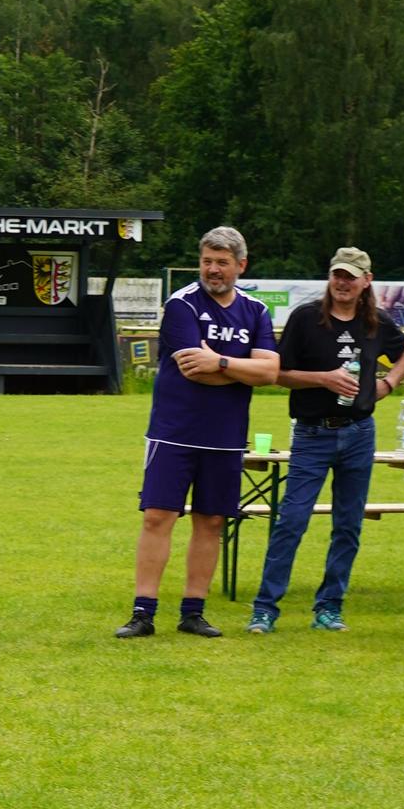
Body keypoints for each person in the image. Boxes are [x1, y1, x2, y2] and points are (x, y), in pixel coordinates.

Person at [117, 225, 278, 639]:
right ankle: (143, 612)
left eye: (222, 262)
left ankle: (193, 612)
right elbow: (194, 369)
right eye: (207, 261)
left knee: (211, 522)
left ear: (241, 265)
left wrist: (222, 363)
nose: (213, 269)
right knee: (158, 517)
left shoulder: (256, 311)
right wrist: (242, 370)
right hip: (175, 431)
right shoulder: (181, 305)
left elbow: (270, 372)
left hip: (225, 436)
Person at [247, 249, 404, 632]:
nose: (343, 282)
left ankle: (329, 607)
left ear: (366, 281)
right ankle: (265, 609)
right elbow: (279, 374)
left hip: (359, 432)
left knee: (348, 525)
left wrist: (387, 384)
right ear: (330, 277)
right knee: (291, 520)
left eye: (351, 277)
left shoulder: (376, 322)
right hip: (311, 432)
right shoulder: (306, 318)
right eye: (337, 275)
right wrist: (323, 378)